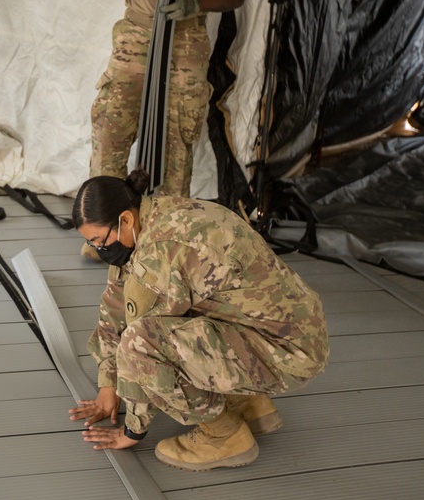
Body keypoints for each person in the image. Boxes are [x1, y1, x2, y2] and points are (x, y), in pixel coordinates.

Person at [68, 168, 329, 471]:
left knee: (144, 340)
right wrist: (107, 385)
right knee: (181, 309)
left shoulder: (159, 254)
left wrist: (132, 430)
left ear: (125, 219)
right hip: (291, 330)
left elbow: (137, 343)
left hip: (288, 353)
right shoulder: (161, 214)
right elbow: (115, 304)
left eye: (100, 241)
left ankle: (225, 437)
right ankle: (249, 404)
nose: (100, 251)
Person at [83, 0, 249, 262]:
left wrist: (196, 2)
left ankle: (165, 240)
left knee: (177, 139)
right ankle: (103, 231)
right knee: (111, 130)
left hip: (187, 39)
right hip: (137, 35)